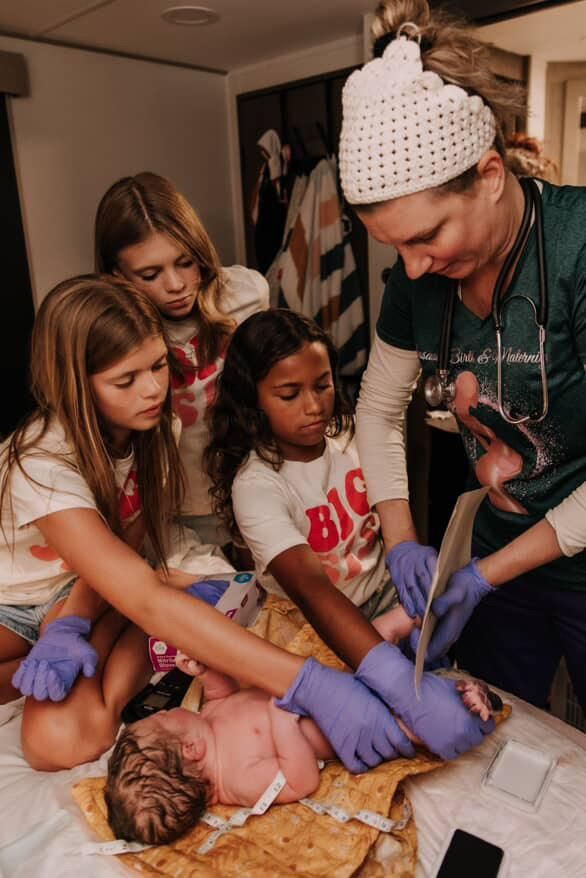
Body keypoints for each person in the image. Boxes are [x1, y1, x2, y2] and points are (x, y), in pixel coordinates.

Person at [1, 274, 420, 776]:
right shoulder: (41, 462)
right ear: (75, 383)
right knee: (53, 705)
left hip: (93, 589)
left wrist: (76, 618)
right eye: (126, 380)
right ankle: (120, 635)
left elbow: (129, 545)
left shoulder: (154, 428)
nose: (154, 390)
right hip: (15, 600)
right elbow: (139, 586)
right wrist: (311, 684)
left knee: (61, 742)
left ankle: (121, 636)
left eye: (158, 365)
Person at [339, 0, 586, 712]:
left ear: (488, 174)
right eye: (395, 248)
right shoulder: (415, 286)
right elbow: (379, 411)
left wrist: (483, 575)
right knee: (505, 728)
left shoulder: (575, 253)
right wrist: (403, 542)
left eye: (427, 238)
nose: (412, 270)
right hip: (498, 553)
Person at [205, 307, 494, 758]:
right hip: (316, 621)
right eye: (289, 394)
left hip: (381, 600)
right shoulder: (257, 486)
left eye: (322, 385)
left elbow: (393, 514)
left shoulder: (351, 437)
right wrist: (392, 674)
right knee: (334, 729)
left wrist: (418, 589)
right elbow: (313, 591)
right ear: (252, 402)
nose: (314, 405)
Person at [105, 651, 500, 845]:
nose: (171, 709)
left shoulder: (208, 719)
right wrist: (282, 722)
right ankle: (471, 704)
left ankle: (425, 658)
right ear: (191, 750)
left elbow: (223, 694)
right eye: (162, 717)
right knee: (414, 726)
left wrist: (207, 672)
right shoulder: (239, 780)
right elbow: (301, 779)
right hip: (352, 728)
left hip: (331, 692)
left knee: (378, 658)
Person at [94, 171, 269, 547]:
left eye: (185, 262)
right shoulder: (111, 336)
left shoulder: (247, 294)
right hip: (174, 513)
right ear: (116, 275)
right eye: (150, 274)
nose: (175, 285)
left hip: (257, 488)